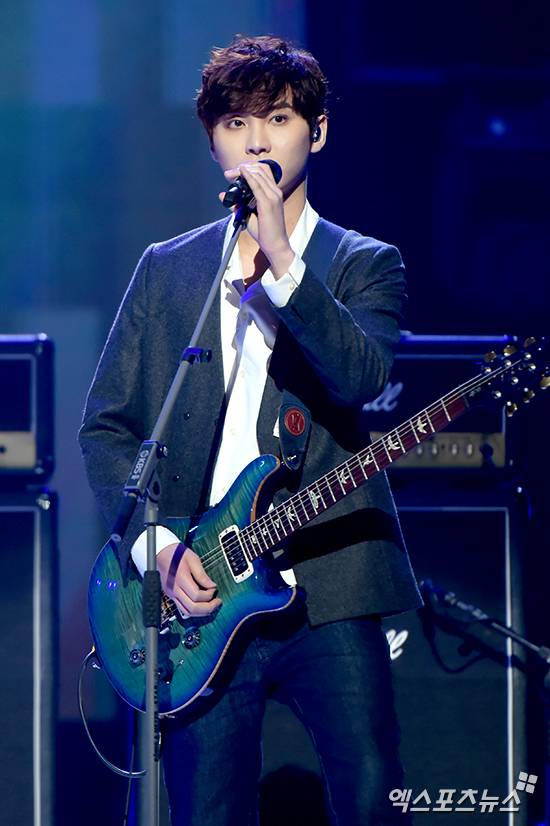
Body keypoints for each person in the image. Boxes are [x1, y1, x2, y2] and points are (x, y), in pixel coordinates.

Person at [79, 34, 422, 826]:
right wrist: (158, 548)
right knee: (207, 809)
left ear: (318, 132)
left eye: (278, 118)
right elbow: (109, 428)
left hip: (330, 586)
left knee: (371, 796)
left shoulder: (364, 263)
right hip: (203, 598)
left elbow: (360, 376)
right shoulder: (169, 270)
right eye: (236, 124)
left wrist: (283, 264)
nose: (257, 140)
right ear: (213, 144)